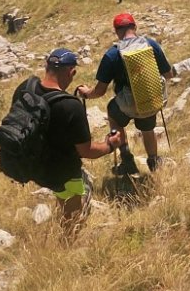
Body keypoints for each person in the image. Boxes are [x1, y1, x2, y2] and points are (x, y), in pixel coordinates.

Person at [32, 48, 126, 233]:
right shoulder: (70, 106)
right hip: (63, 170)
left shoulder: (28, 89)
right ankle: (68, 245)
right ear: (71, 72)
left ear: (47, 67)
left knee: (62, 196)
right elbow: (87, 151)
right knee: (73, 217)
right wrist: (110, 144)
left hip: (34, 162)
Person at [81, 13, 172, 175]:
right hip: (149, 99)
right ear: (134, 27)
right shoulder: (151, 44)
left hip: (126, 103)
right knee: (147, 128)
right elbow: (168, 74)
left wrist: (87, 93)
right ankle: (154, 161)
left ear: (116, 31)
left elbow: (100, 91)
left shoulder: (112, 54)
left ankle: (126, 158)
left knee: (112, 111)